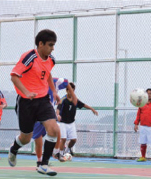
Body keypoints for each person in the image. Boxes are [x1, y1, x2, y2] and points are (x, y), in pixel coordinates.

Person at [8, 29, 63, 176]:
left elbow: (48, 74)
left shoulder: (51, 59)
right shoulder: (29, 57)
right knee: (25, 138)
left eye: (54, 45)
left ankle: (43, 164)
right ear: (40, 44)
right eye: (50, 45)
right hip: (26, 102)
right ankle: (14, 149)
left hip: (43, 100)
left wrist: (54, 91)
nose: (53, 48)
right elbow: (14, 76)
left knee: (54, 130)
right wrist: (26, 92)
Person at [32, 78, 70, 169]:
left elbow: (66, 82)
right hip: (36, 114)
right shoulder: (35, 82)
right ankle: (39, 161)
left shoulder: (54, 82)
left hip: (48, 114)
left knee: (57, 129)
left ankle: (55, 152)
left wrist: (69, 92)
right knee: (38, 140)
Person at [56, 82, 98, 157]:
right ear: (67, 90)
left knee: (74, 140)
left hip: (71, 123)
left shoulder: (75, 100)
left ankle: (68, 149)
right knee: (64, 139)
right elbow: (58, 109)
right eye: (69, 90)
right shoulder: (63, 100)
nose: (71, 92)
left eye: (73, 90)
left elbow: (83, 104)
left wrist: (92, 109)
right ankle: (61, 154)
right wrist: (58, 115)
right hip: (63, 123)